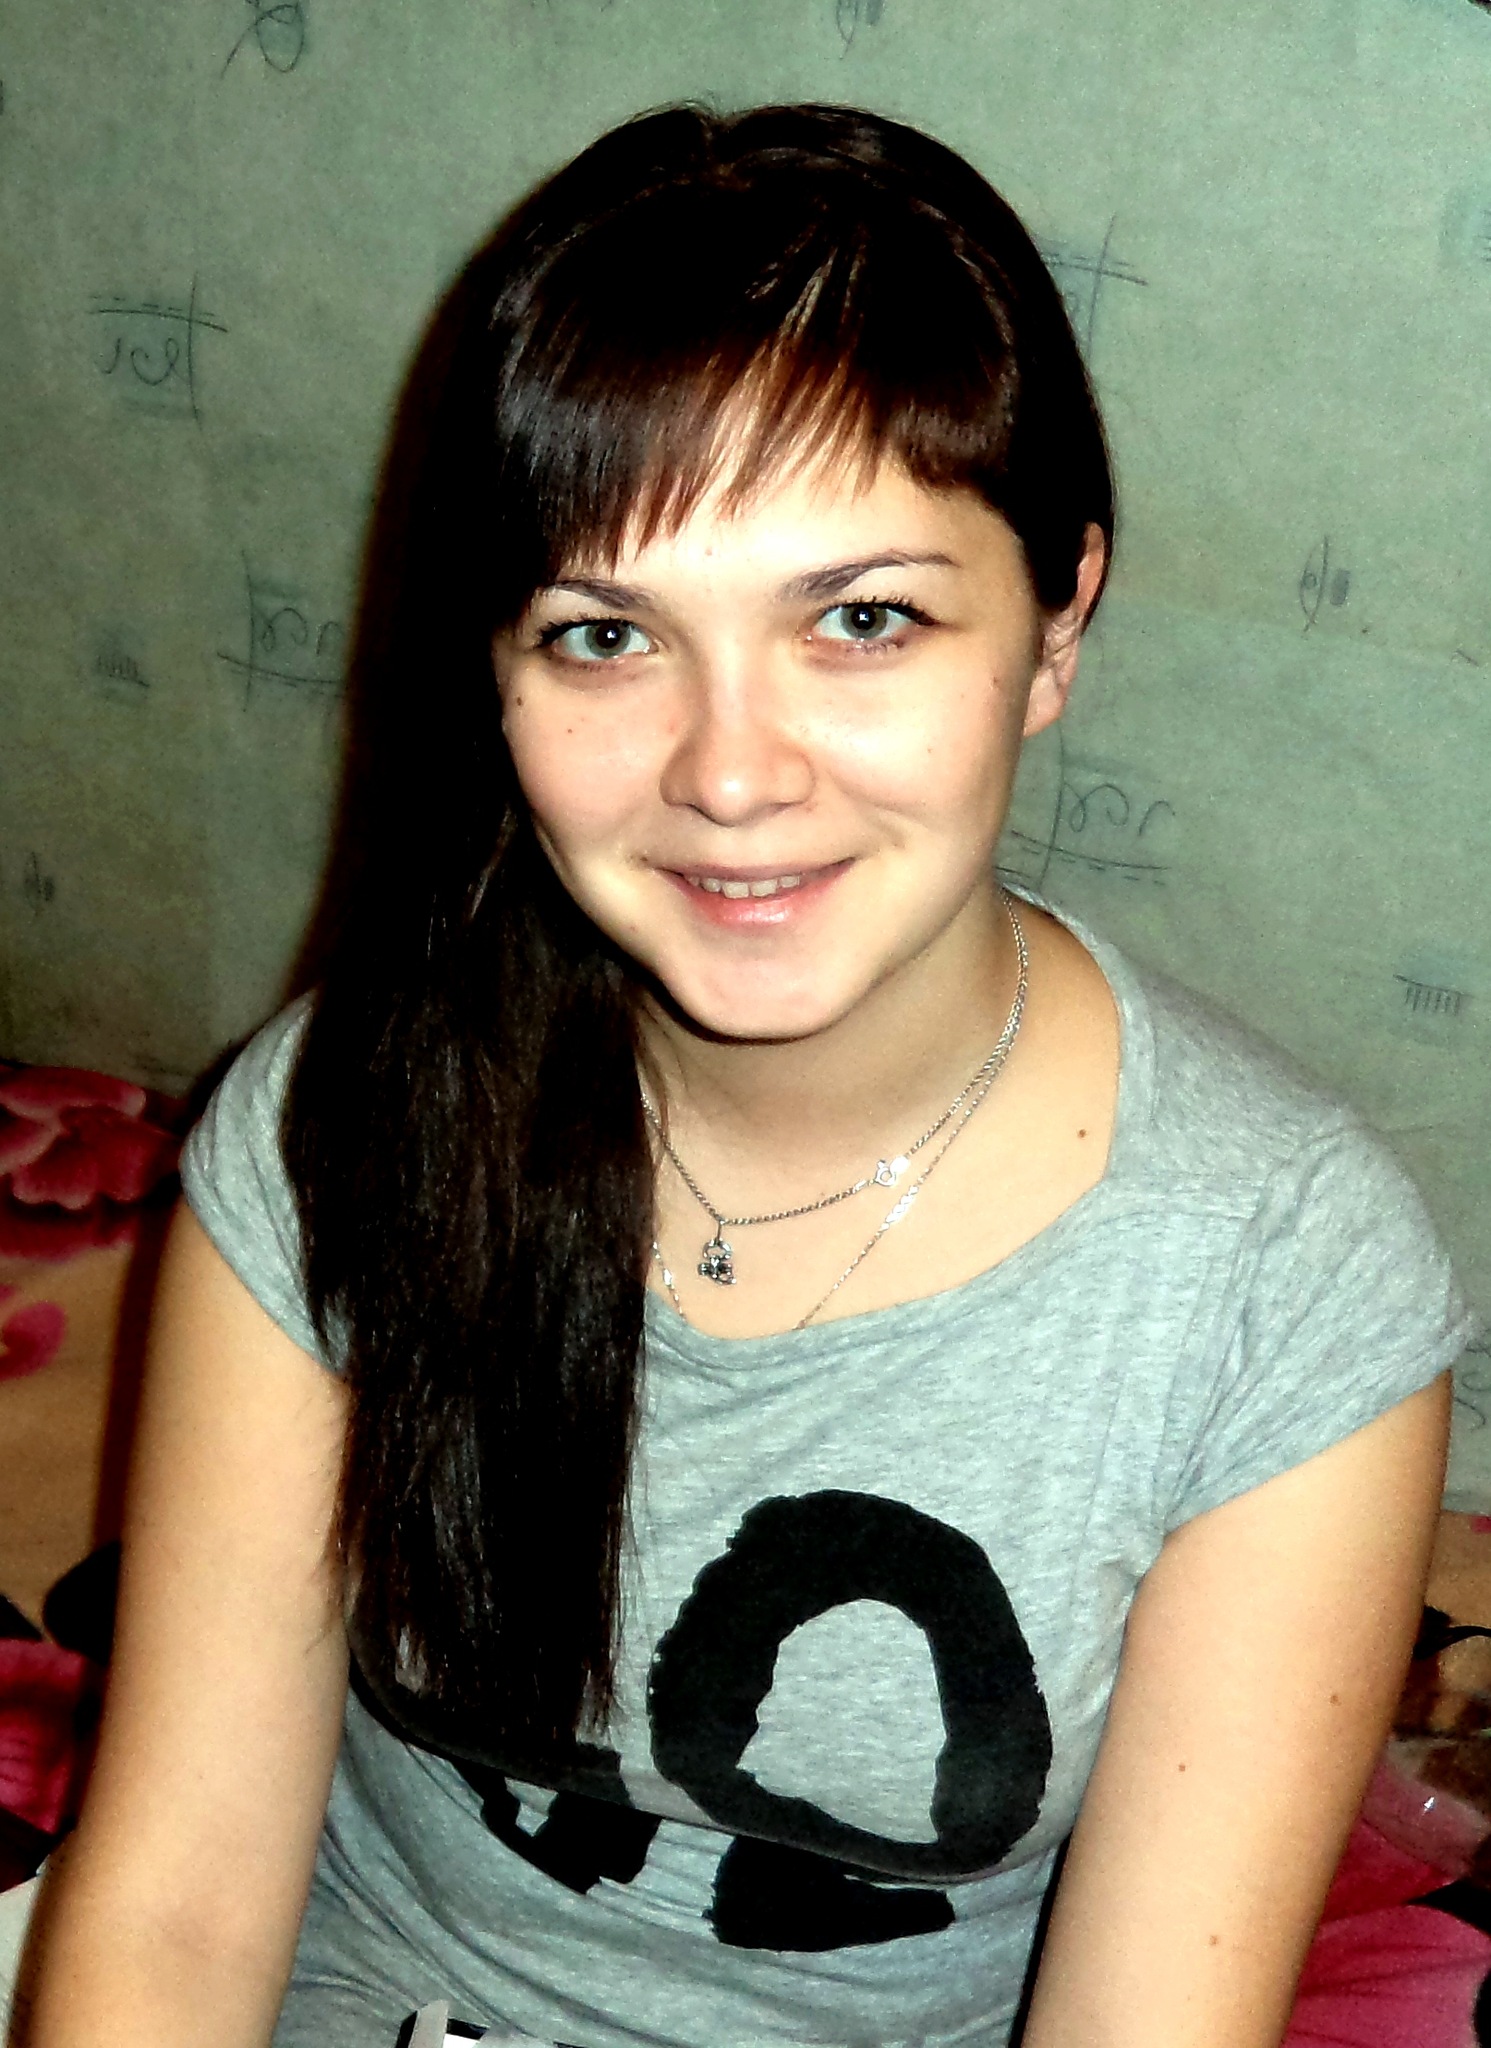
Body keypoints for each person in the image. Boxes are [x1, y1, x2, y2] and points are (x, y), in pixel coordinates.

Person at [18, 101, 1475, 2048]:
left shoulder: (1274, 1278)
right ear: (498, 672)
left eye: (860, 619)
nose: (726, 772)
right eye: (605, 634)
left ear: (1055, 622)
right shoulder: (341, 1121)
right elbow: (179, 1912)